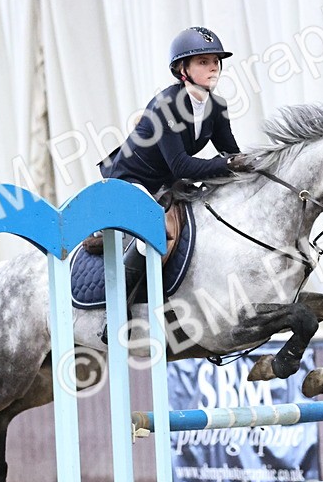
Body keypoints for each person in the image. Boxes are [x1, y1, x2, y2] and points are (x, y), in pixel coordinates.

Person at [96, 27, 256, 332]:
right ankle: (115, 310)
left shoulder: (217, 107)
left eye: (216, 61)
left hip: (165, 182)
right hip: (130, 179)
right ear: (183, 69)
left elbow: (230, 152)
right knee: (153, 228)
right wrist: (228, 164)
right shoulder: (166, 105)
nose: (213, 67)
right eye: (203, 62)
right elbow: (181, 164)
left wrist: (255, 165)